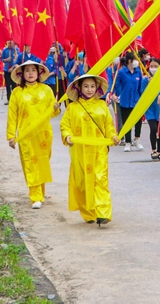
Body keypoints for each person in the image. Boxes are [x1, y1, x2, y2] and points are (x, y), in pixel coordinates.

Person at [60, 74, 120, 224]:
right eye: (86, 86)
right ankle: (88, 213)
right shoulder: (72, 108)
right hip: (79, 151)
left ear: (97, 88)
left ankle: (103, 212)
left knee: (100, 179)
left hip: (99, 149)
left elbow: (108, 125)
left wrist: (113, 136)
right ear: (79, 88)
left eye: (92, 86)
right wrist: (67, 136)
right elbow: (65, 126)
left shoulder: (102, 106)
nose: (89, 89)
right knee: (82, 181)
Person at [6, 60, 60, 209]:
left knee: (42, 162)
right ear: (22, 74)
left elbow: (53, 113)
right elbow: (12, 115)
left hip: (44, 134)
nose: (30, 73)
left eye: (33, 70)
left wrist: (56, 108)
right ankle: (35, 196)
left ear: (39, 73)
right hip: (26, 135)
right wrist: (11, 135)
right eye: (27, 70)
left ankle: (40, 193)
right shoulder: (17, 92)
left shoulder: (46, 90)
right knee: (31, 163)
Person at [112, 51, 144, 152]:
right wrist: (116, 95)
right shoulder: (122, 72)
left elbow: (140, 86)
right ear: (130, 61)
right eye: (134, 59)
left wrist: (142, 96)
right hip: (125, 101)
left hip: (136, 100)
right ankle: (128, 142)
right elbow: (117, 84)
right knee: (126, 122)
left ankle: (137, 139)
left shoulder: (138, 72)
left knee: (138, 121)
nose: (136, 62)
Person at [143, 58, 160, 161]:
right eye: (151, 66)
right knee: (153, 128)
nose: (153, 68)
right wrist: (149, 85)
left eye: (156, 66)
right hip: (150, 108)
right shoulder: (145, 80)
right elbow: (143, 94)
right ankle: (153, 150)